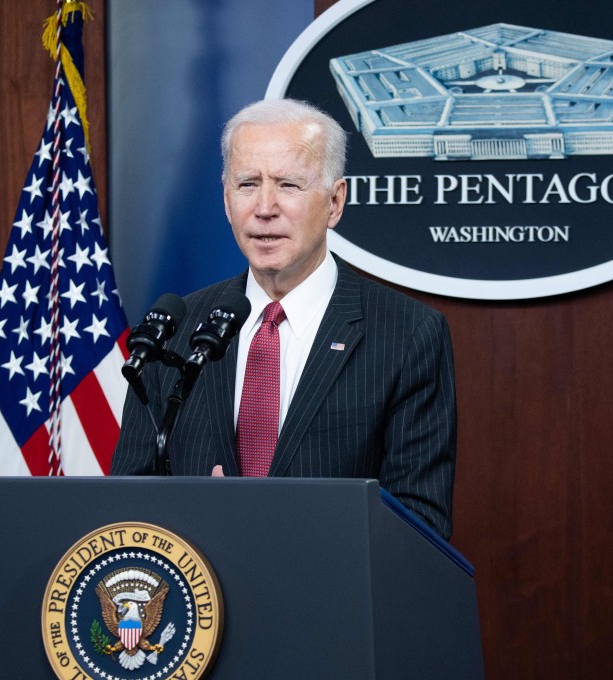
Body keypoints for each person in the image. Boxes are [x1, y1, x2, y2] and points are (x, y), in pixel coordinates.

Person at [110, 99, 457, 539]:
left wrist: (264, 525)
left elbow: (420, 525)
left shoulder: (407, 334)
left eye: (289, 184)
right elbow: (127, 507)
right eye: (248, 184)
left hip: (331, 603)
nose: (265, 207)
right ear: (225, 198)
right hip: (197, 601)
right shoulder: (176, 330)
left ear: (335, 202)